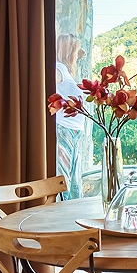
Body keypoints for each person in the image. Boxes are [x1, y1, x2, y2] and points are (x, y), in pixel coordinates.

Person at [55, 33, 86, 199]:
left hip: (72, 131)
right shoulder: (58, 69)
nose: (77, 55)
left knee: (73, 180)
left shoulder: (64, 70)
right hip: (64, 130)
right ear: (69, 52)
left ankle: (70, 218)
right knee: (64, 179)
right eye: (75, 51)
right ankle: (62, 218)